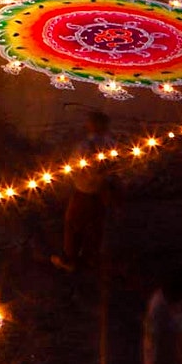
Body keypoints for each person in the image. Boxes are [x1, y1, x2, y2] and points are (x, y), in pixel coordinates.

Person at [51, 111, 112, 272]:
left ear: (92, 125)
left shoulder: (84, 146)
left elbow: (73, 168)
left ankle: (69, 260)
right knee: (95, 227)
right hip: (101, 192)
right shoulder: (111, 144)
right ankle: (91, 259)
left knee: (72, 224)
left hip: (84, 191)